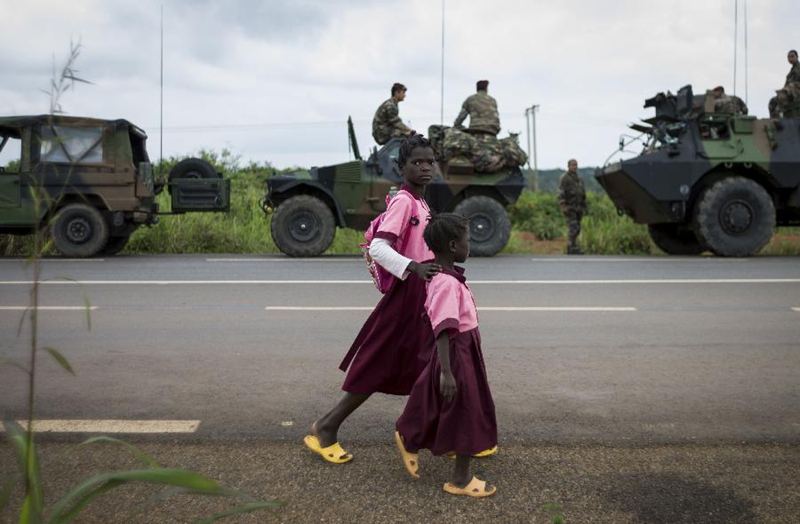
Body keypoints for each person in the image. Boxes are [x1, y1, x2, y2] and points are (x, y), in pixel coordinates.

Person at [304, 134, 441, 463]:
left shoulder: (421, 202)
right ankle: (326, 427)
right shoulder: (404, 201)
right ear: (401, 167)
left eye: (429, 161)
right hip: (407, 294)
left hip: (422, 293)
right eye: (416, 162)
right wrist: (414, 268)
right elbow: (380, 247)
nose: (424, 167)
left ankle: (442, 434)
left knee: (433, 365)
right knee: (380, 364)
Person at [394, 213, 498, 498]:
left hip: (462, 348)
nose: (470, 245)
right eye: (467, 240)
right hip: (457, 350)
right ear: (453, 245)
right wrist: (448, 371)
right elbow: (443, 328)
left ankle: (409, 436)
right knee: (467, 411)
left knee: (441, 404)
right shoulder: (446, 283)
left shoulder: (445, 278)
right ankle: (460, 480)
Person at [558, 159, 587, 255]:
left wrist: (584, 206)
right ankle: (571, 247)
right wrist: (563, 205)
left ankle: (574, 246)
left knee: (577, 228)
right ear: (568, 166)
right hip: (569, 207)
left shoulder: (579, 179)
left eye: (576, 165)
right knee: (573, 227)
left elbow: (583, 193)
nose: (574, 167)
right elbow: (561, 192)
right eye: (572, 165)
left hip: (578, 208)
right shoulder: (565, 178)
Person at [769, 50, 800, 118]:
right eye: (788, 57)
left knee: (783, 95)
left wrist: (786, 89)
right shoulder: (790, 73)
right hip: (789, 93)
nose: (790, 59)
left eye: (792, 56)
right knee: (772, 101)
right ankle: (773, 119)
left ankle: (779, 116)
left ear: (797, 57)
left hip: (796, 92)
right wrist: (782, 90)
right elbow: (786, 86)